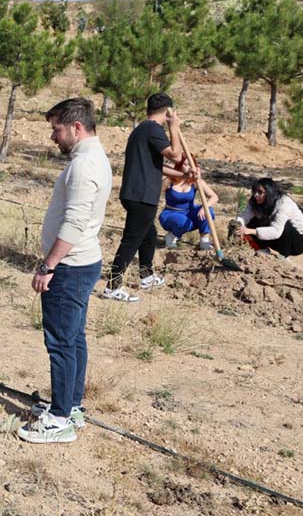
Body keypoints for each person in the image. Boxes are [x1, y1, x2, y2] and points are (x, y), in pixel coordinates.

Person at [20, 98, 112, 444]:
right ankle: (70, 405)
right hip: (82, 263)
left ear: (76, 127)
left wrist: (48, 265)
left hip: (70, 267)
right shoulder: (91, 158)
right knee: (74, 338)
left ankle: (59, 419)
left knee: (60, 341)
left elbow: (74, 223)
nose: (52, 137)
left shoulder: (84, 166)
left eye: (56, 129)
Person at [101, 93, 187, 303]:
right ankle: (113, 286)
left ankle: (146, 276)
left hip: (137, 194)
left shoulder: (143, 130)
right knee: (131, 240)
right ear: (167, 112)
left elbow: (158, 166)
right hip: (141, 195)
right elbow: (175, 155)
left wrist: (184, 176)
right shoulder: (152, 129)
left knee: (148, 233)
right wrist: (174, 127)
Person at [231, 178, 303, 259]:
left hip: (296, 242)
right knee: (252, 221)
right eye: (254, 191)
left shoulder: (284, 204)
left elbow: (276, 231)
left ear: (269, 192)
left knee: (286, 225)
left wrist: (250, 231)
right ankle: (262, 249)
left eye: (260, 192)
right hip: (273, 239)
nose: (255, 195)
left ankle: (284, 256)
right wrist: (238, 224)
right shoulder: (255, 201)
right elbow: (245, 216)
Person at [158, 160, 218, 250]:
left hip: (189, 213)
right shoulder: (170, 180)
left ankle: (204, 241)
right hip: (171, 213)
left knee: (208, 211)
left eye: (190, 165)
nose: (189, 167)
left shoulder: (196, 181)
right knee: (183, 221)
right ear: (179, 166)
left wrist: (205, 207)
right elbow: (155, 194)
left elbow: (214, 197)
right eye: (185, 165)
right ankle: (171, 237)